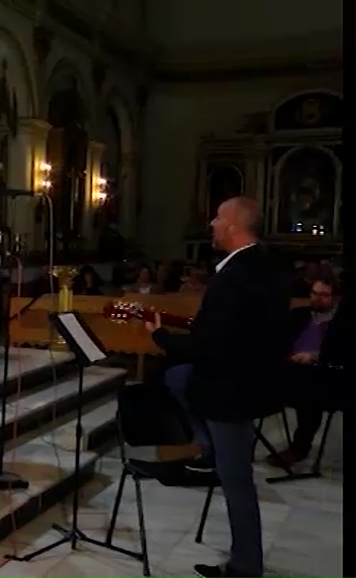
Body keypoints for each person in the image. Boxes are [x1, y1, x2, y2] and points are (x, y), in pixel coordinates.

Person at [148, 197, 290, 578]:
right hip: (249, 381)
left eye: (217, 218)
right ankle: (206, 448)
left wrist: (162, 338)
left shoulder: (235, 276)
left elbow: (212, 344)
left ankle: (245, 567)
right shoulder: (264, 265)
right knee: (177, 378)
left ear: (232, 226)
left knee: (237, 483)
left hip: (231, 389)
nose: (210, 223)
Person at [267, 275, 343, 468]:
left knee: (308, 391)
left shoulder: (343, 322)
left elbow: (343, 353)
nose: (317, 298)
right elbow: (279, 341)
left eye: (324, 295)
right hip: (289, 367)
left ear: (335, 298)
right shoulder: (298, 315)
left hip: (324, 373)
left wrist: (314, 356)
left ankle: (299, 447)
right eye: (314, 293)